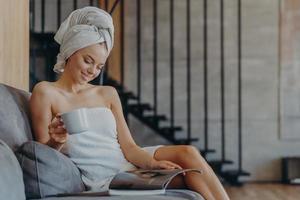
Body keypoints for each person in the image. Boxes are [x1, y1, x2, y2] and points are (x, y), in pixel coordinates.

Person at [29, 6, 230, 200]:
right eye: (87, 60)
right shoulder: (46, 92)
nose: (92, 71)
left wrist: (152, 164)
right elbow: (43, 154)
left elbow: (130, 147)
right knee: (189, 177)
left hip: (128, 163)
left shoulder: (107, 93)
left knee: (188, 152)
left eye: (99, 66)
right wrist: (58, 140)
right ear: (70, 52)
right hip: (106, 177)